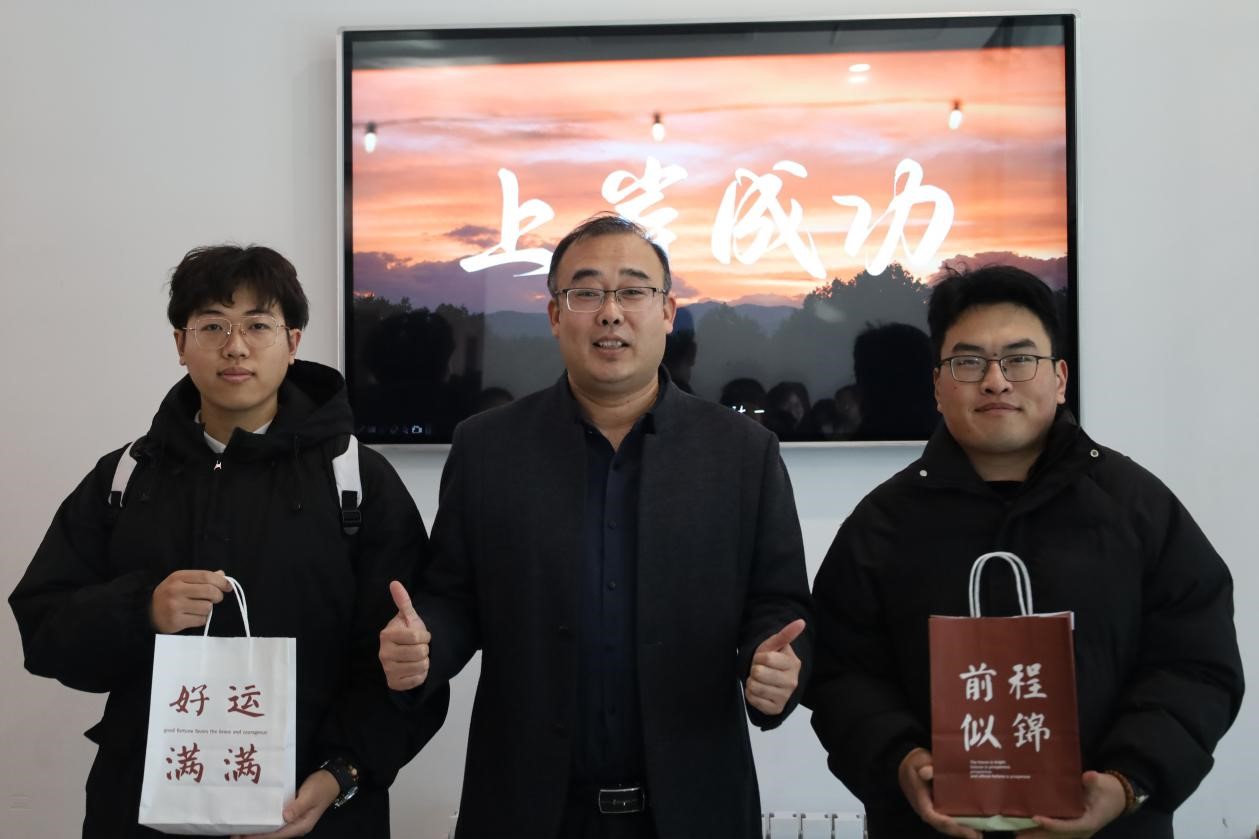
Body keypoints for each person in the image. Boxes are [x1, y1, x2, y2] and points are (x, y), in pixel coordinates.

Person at [378, 214, 812, 838]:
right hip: (527, 810)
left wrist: (776, 665)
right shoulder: (487, 448)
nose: (611, 313)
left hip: (693, 807)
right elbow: (451, 596)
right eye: (586, 292)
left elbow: (780, 603)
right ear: (556, 315)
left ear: (667, 312)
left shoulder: (743, 452)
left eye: (632, 291)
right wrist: (423, 648)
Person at [9, 245, 447, 838]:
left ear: (293, 342)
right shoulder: (127, 477)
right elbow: (43, 630)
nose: (235, 346)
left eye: (258, 326)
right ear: (180, 343)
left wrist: (341, 773)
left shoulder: (356, 480)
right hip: (142, 810)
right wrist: (141, 610)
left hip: (317, 807)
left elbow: (412, 664)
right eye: (212, 326)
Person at [806, 265, 1243, 839]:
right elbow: (840, 674)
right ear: (937, 385)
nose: (995, 381)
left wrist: (1126, 781)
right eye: (968, 362)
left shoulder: (1138, 509)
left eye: (1019, 359)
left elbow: (1197, 665)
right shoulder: (881, 524)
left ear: (1059, 378)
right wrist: (899, 761)